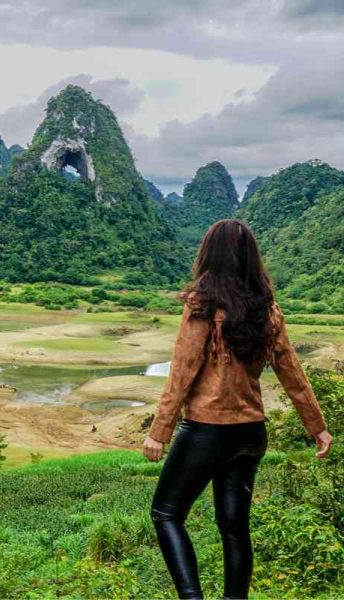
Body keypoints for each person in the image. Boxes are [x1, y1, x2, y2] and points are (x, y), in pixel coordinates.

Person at [142, 219, 333, 600]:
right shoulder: (267, 308)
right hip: (250, 433)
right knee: (234, 528)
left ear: (208, 254)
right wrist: (318, 427)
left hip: (205, 430)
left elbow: (183, 370)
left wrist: (158, 432)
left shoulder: (202, 303)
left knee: (166, 514)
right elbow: (291, 370)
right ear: (250, 258)